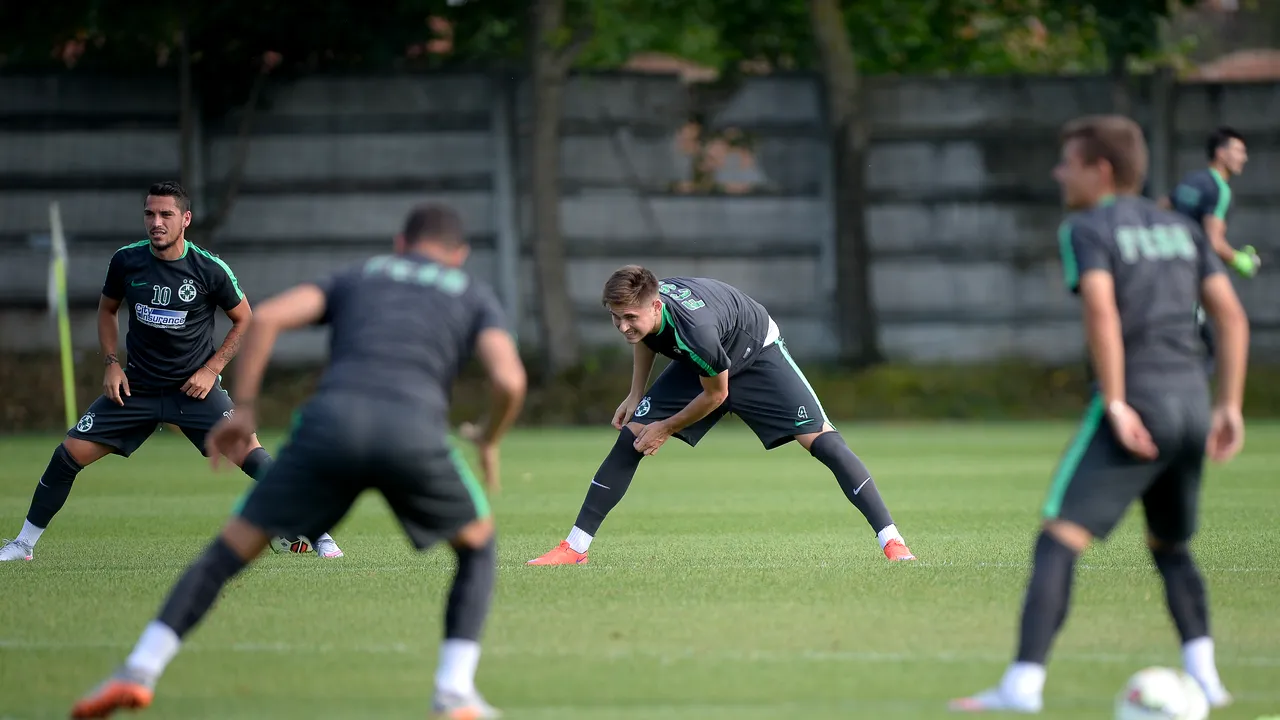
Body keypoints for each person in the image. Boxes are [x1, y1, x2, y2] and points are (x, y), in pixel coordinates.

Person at [69, 203, 526, 719]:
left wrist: (244, 409)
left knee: (228, 552)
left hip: (329, 428)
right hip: (414, 434)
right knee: (478, 547)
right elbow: (509, 380)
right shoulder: (471, 294)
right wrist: (488, 438)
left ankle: (140, 669)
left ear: (400, 244)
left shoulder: (361, 275)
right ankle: (454, 692)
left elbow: (265, 317)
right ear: (459, 256)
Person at [950, 115, 1248, 714]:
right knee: (1170, 546)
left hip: (1139, 404)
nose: (1060, 172)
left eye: (1069, 162)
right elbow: (1232, 317)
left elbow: (1103, 313)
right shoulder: (1182, 228)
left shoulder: (1088, 228)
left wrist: (1114, 400)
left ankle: (1021, 686)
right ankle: (1207, 679)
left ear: (1101, 169)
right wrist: (1229, 406)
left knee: (1057, 541)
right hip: (1192, 403)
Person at [0, 181, 342, 562]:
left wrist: (212, 369)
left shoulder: (210, 269)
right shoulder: (126, 261)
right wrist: (111, 364)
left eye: (166, 215)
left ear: (186, 219)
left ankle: (319, 531)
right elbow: (107, 310)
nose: (156, 222)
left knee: (254, 457)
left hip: (194, 392)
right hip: (137, 390)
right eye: (150, 214)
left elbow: (246, 320)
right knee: (67, 455)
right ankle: (23, 544)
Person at [527, 268, 915, 566]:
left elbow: (717, 394)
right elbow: (647, 338)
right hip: (710, 361)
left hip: (756, 352)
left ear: (655, 305)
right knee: (631, 438)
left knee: (824, 442)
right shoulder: (650, 310)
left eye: (629, 316)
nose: (623, 326)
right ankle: (574, 548)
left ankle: (892, 540)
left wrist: (665, 427)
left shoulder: (696, 332)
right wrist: (635, 394)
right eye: (616, 318)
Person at [1160, 126, 1258, 371]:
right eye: (1238, 151)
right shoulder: (1219, 190)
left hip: (1167, 270)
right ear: (1220, 153)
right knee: (1209, 348)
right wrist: (1240, 261)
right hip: (1189, 276)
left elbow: (1161, 207)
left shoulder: (1191, 179)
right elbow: (1213, 242)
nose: (1243, 157)